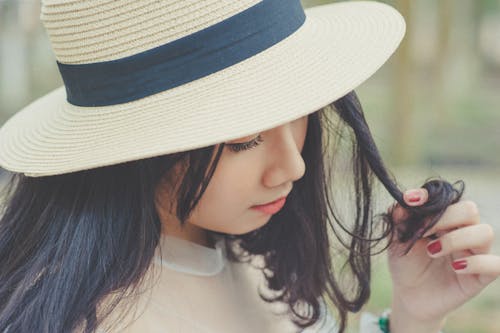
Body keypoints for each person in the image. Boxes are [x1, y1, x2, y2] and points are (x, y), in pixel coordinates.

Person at [0, 0, 498, 332]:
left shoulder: (243, 251)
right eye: (245, 140)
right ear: (133, 149)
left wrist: (413, 313)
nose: (291, 166)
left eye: (301, 113)